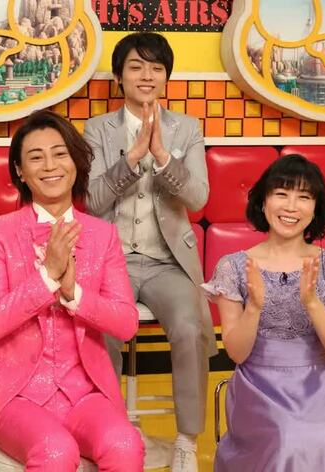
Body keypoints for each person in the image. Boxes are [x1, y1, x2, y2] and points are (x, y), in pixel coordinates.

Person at [0, 110, 144, 471]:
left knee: (125, 444)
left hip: (85, 394)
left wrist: (73, 293)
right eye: (36, 157)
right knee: (55, 450)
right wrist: (46, 277)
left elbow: (127, 324)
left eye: (60, 154)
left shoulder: (103, 235)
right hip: (14, 395)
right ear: (20, 171)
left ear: (75, 162)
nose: (50, 166)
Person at [82, 31, 216, 471]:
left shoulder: (187, 128)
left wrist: (161, 156)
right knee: (100, 329)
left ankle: (186, 441)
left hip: (167, 262)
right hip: (111, 261)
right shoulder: (97, 129)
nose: (146, 75)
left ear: (166, 78)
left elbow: (198, 198)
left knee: (190, 328)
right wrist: (131, 159)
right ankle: (109, 434)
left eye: (156, 68)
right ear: (119, 77)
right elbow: (92, 201)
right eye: (136, 66)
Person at [203, 154, 325, 471]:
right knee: (286, 441)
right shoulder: (233, 266)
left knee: (320, 439)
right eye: (281, 193)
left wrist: (311, 302)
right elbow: (237, 353)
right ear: (263, 202)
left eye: (304, 197)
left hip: (321, 388)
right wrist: (254, 308)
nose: (291, 206)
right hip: (257, 388)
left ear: (316, 208)